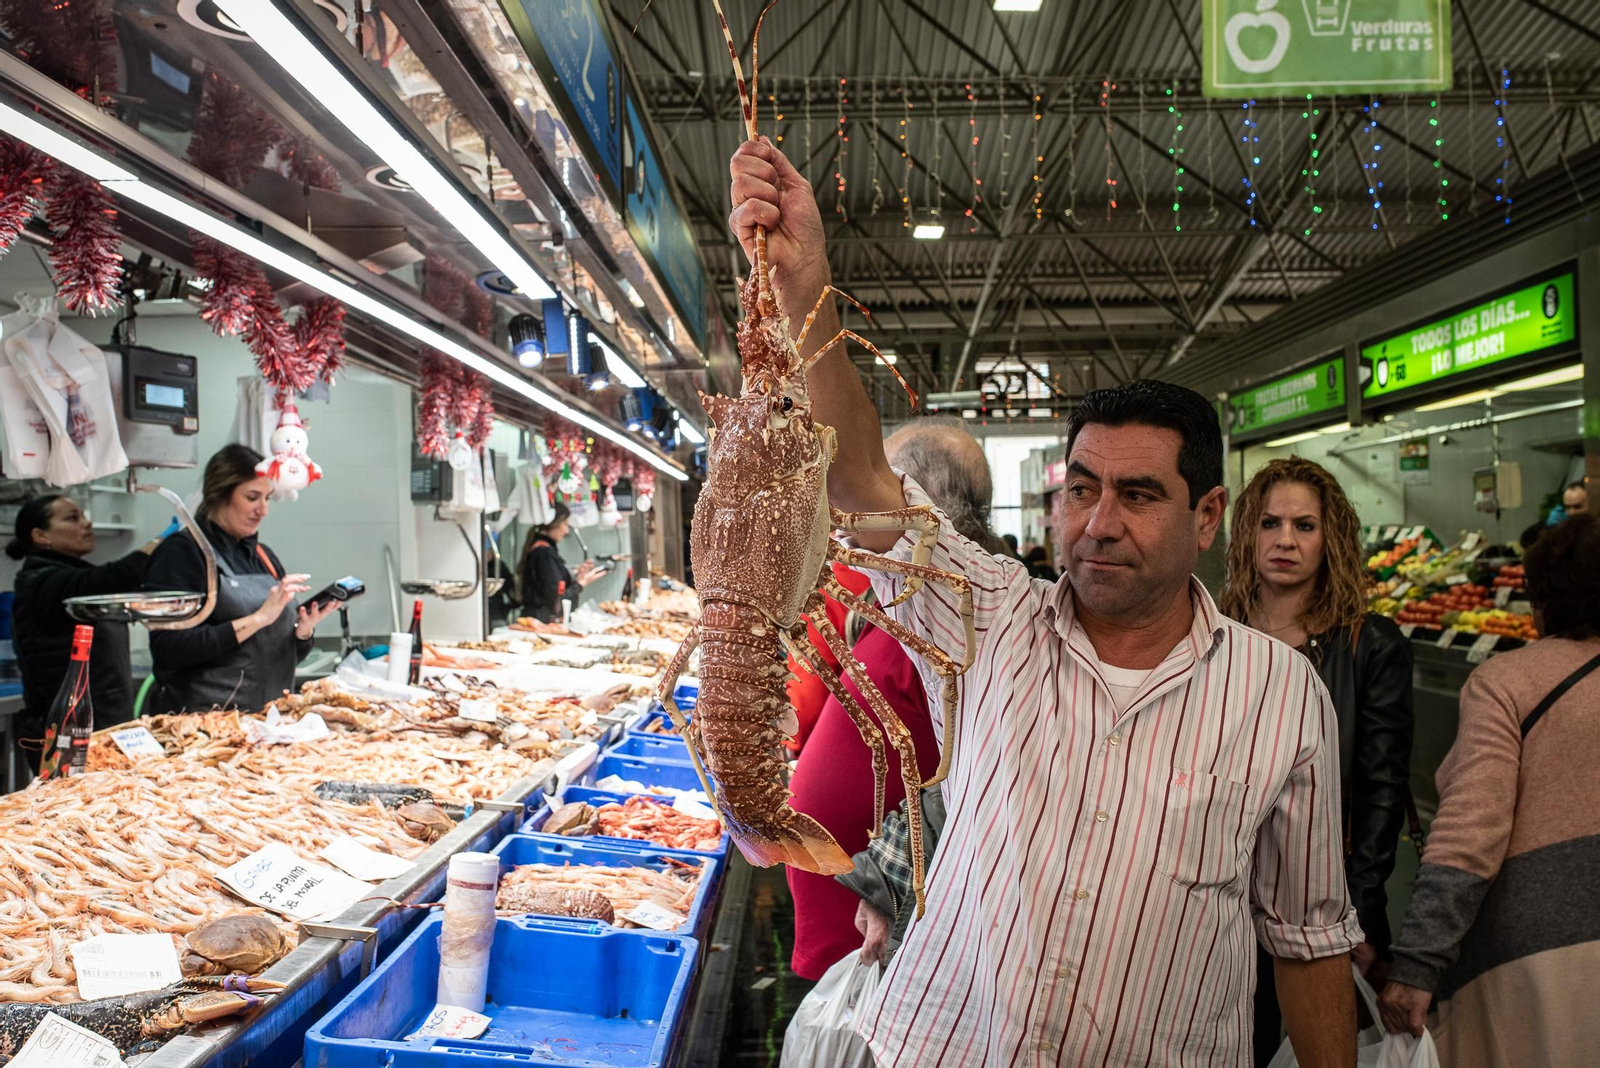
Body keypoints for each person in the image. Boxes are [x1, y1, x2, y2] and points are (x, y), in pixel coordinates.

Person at [729, 137, 1359, 1065]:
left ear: (1208, 516)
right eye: (1080, 489)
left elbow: (1308, 939)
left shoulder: (1280, 696)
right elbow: (862, 479)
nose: (1098, 522)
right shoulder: (990, 615)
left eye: (1139, 495)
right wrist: (805, 284)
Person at [1378, 514, 1600, 1065]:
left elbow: (1470, 831)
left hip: (1539, 956)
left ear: (1540, 599)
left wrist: (1417, 963)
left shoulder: (1507, 682)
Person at [788, 419, 998, 980]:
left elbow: (966, 788)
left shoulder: (958, 623)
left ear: (914, 505)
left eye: (865, 488)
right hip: (852, 932)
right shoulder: (895, 602)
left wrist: (886, 887)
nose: (844, 513)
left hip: (883, 942)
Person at [1221, 457, 1415, 1064]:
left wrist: (1355, 911)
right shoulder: (1213, 636)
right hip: (1222, 890)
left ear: (1330, 540)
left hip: (1321, 900)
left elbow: (1381, 789)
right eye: (1270, 523)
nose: (1285, 541)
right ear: (1246, 532)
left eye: (1304, 526)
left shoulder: (1370, 644)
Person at [145, 444, 334, 714]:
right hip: (201, 726)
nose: (263, 510)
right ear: (219, 495)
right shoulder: (182, 553)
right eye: (252, 497)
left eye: (267, 498)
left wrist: (303, 633)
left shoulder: (262, 556)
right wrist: (257, 619)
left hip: (269, 721)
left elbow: (276, 655)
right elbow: (169, 649)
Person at [7, 496, 172, 764]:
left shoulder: (67, 576)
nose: (87, 523)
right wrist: (161, 542)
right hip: (69, 733)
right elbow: (111, 577)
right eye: (73, 518)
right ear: (41, 536)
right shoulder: (43, 583)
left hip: (101, 725)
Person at [518, 503, 601, 623]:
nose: (566, 531)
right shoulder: (543, 554)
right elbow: (554, 596)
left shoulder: (544, 551)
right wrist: (581, 583)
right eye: (565, 524)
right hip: (541, 622)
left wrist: (577, 575)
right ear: (553, 524)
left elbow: (552, 584)